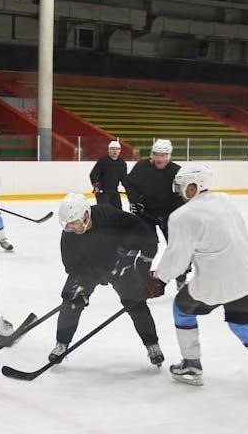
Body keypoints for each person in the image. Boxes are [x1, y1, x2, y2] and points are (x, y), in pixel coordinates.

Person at [150, 162, 248, 391]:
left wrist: (159, 278)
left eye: (180, 186)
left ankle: (191, 366)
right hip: (246, 277)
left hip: (214, 283)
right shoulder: (225, 199)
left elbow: (177, 259)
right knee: (243, 324)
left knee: (182, 309)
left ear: (193, 186)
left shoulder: (182, 216)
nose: (178, 192)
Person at [50, 193, 164, 367]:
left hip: (120, 264)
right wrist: (88, 282)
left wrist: (139, 265)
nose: (70, 227)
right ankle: (61, 344)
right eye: (67, 224)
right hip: (89, 270)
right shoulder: (69, 236)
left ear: (86, 215)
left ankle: (152, 345)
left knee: (136, 303)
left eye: (73, 222)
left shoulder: (109, 216)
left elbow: (144, 234)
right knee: (71, 302)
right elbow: (72, 267)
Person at [123, 139, 187, 288]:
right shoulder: (142, 166)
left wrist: (180, 212)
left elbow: (182, 194)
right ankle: (142, 280)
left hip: (169, 216)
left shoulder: (177, 171)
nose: (159, 158)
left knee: (176, 248)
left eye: (163, 155)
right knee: (149, 246)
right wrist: (134, 201)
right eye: (156, 154)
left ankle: (181, 280)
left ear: (168, 156)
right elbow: (129, 183)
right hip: (146, 214)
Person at [89, 140, 127, 209]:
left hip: (114, 192)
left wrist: (130, 189)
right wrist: (96, 185)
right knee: (105, 211)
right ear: (109, 150)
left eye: (117, 149)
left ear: (120, 150)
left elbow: (124, 179)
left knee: (118, 211)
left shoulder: (122, 163)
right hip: (103, 192)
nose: (115, 151)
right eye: (112, 149)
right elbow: (94, 174)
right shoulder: (103, 160)